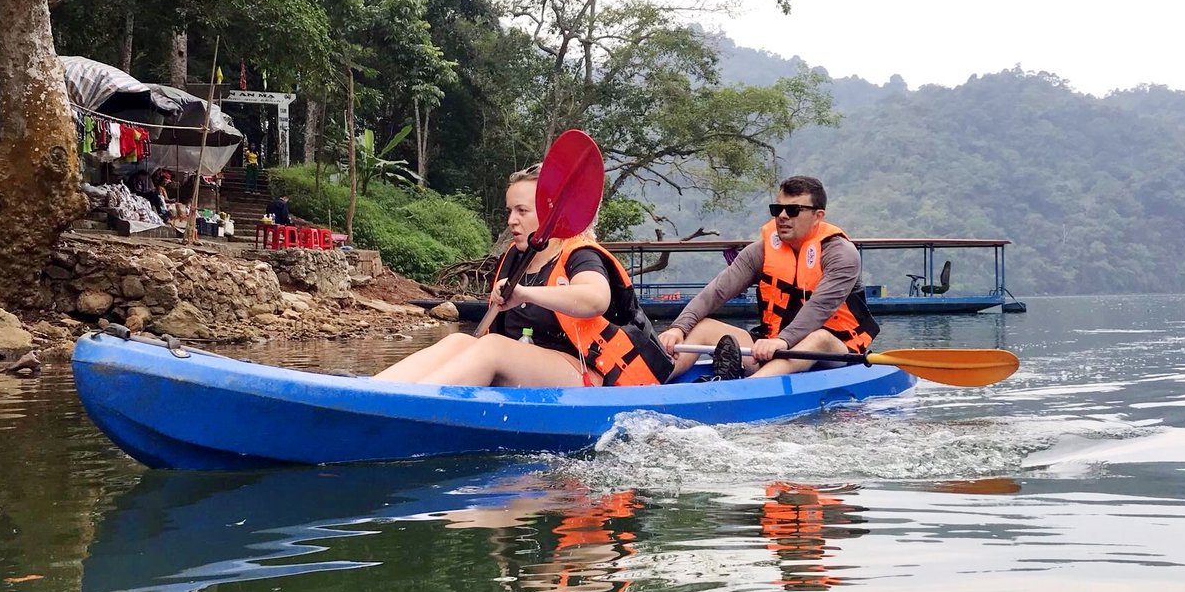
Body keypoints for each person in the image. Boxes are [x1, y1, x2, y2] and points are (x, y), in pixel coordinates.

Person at [373, 164, 672, 388]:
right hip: (529, 364)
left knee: (492, 349)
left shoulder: (580, 254)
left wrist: (526, 294)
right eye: (509, 211)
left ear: (550, 214)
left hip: (586, 374)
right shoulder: (516, 257)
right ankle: (375, 391)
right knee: (460, 343)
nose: (511, 220)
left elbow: (595, 298)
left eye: (522, 211)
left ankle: (413, 405)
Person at [658, 175, 880, 380]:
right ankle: (651, 383)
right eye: (777, 209)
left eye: (793, 210)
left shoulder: (841, 254)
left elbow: (819, 309)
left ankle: (746, 390)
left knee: (818, 338)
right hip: (773, 349)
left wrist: (782, 341)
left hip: (835, 351)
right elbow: (716, 292)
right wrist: (679, 327)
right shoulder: (761, 251)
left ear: (817, 216)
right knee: (701, 326)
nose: (782, 216)